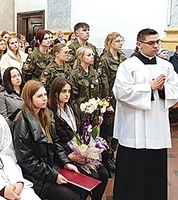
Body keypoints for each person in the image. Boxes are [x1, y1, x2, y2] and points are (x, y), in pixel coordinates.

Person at [112, 28, 178, 200]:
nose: (155, 46)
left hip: (157, 127)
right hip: (134, 128)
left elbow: (175, 90)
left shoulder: (166, 66)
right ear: (139, 44)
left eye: (157, 42)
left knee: (155, 172)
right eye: (151, 43)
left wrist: (164, 88)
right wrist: (148, 87)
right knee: (133, 171)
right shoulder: (128, 66)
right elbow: (121, 92)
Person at [12, 80, 86, 200]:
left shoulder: (47, 114)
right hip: (36, 177)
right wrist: (54, 176)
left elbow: (55, 143)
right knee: (72, 196)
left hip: (50, 168)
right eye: (39, 96)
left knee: (82, 188)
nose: (44, 98)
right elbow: (27, 161)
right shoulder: (22, 122)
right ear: (29, 98)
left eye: (45, 95)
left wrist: (65, 162)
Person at [48, 78, 109, 200]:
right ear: (56, 93)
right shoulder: (51, 113)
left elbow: (81, 130)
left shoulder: (73, 108)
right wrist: (68, 157)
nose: (67, 94)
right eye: (64, 91)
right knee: (94, 176)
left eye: (69, 91)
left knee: (104, 174)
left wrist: (87, 147)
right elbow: (54, 141)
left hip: (79, 151)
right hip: (66, 155)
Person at [98, 32, 127, 172]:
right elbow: (103, 83)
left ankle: (113, 154)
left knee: (118, 128)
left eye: (122, 41)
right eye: (117, 41)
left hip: (121, 99)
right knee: (108, 130)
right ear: (110, 43)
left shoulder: (123, 58)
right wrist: (107, 102)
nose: (120, 43)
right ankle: (106, 157)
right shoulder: (105, 60)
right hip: (110, 99)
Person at [70, 46, 102, 125]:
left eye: (92, 55)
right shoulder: (75, 74)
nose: (92, 57)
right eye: (88, 55)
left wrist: (100, 113)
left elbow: (99, 93)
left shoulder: (94, 73)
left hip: (94, 114)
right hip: (81, 114)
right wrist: (77, 114)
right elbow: (72, 97)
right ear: (80, 57)